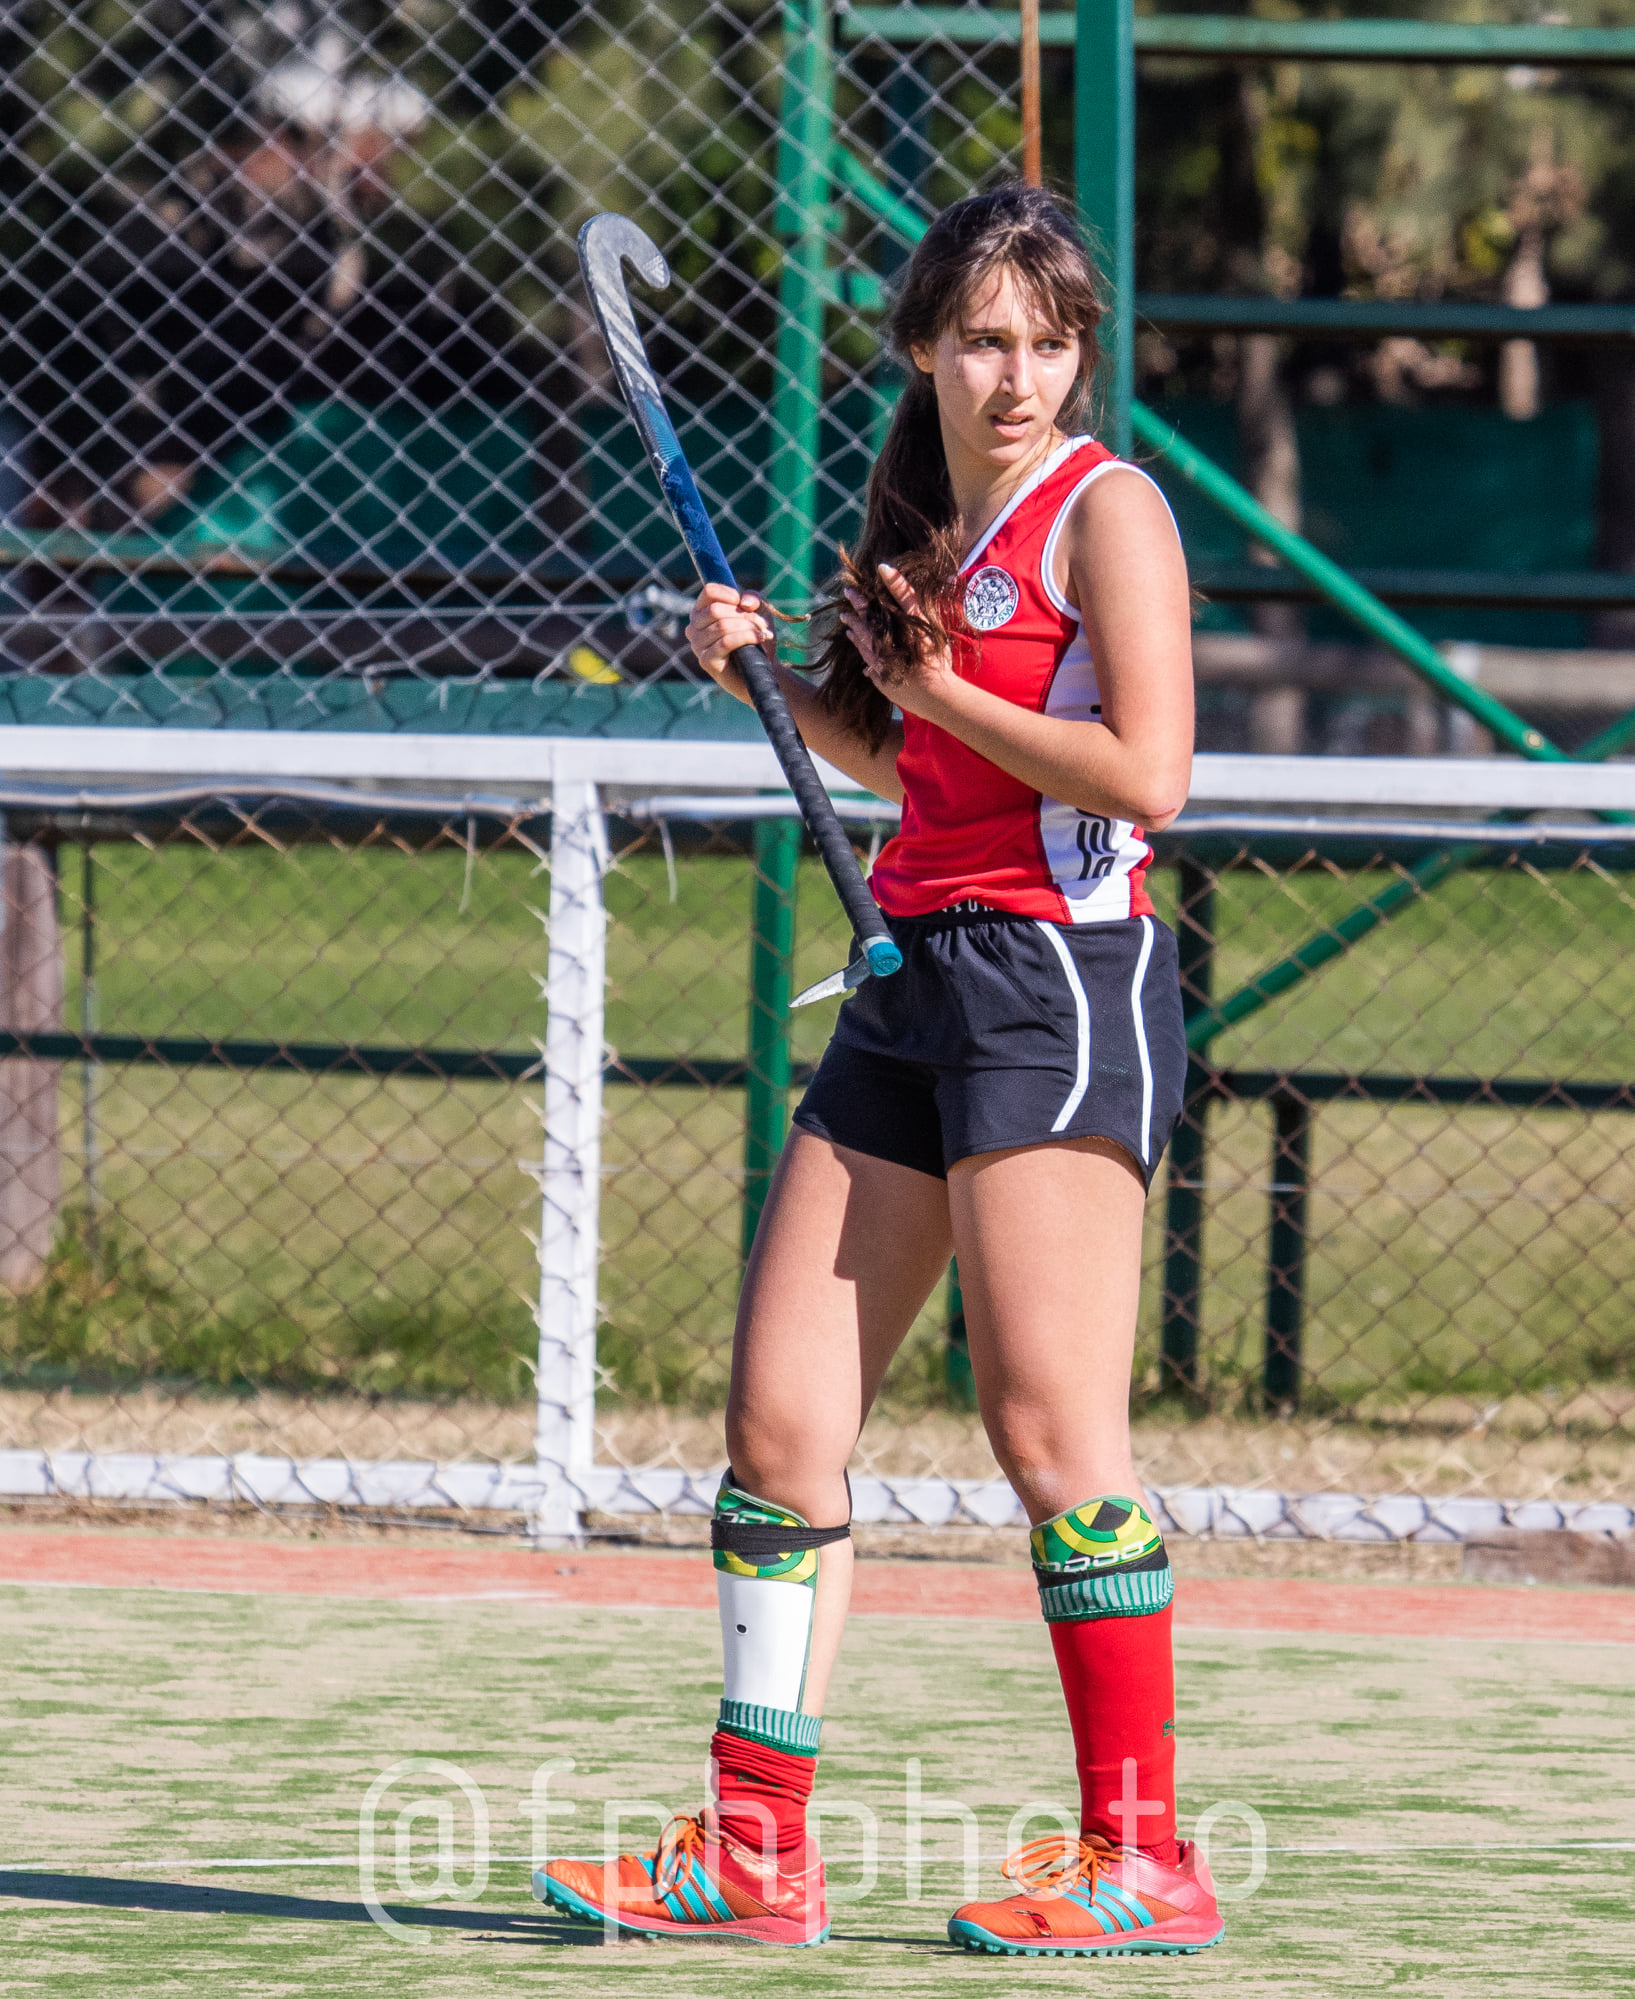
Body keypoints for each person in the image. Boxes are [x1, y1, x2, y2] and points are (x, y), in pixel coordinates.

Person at [535, 182, 1220, 1958]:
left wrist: (932, 700)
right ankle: (754, 1854)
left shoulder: (1105, 510)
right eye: (985, 336)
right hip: (915, 978)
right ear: (922, 342)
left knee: (1049, 1430)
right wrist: (771, 677)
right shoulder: (928, 524)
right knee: (781, 1425)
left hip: (1055, 987)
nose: (1019, 374)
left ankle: (1142, 1855)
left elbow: (1146, 778)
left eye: (1051, 339)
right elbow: (915, 757)